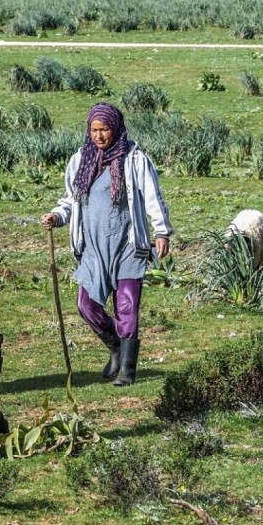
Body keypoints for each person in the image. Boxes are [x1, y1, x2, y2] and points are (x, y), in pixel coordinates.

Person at [41, 102, 172, 386]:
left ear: (116, 128)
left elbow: (153, 197)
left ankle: (127, 368)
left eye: (105, 129)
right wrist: (56, 216)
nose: (99, 136)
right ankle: (115, 346)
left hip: (127, 245)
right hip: (93, 249)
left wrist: (161, 232)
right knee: (86, 305)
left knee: (126, 305)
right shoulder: (81, 160)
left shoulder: (134, 159)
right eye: (94, 130)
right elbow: (70, 200)